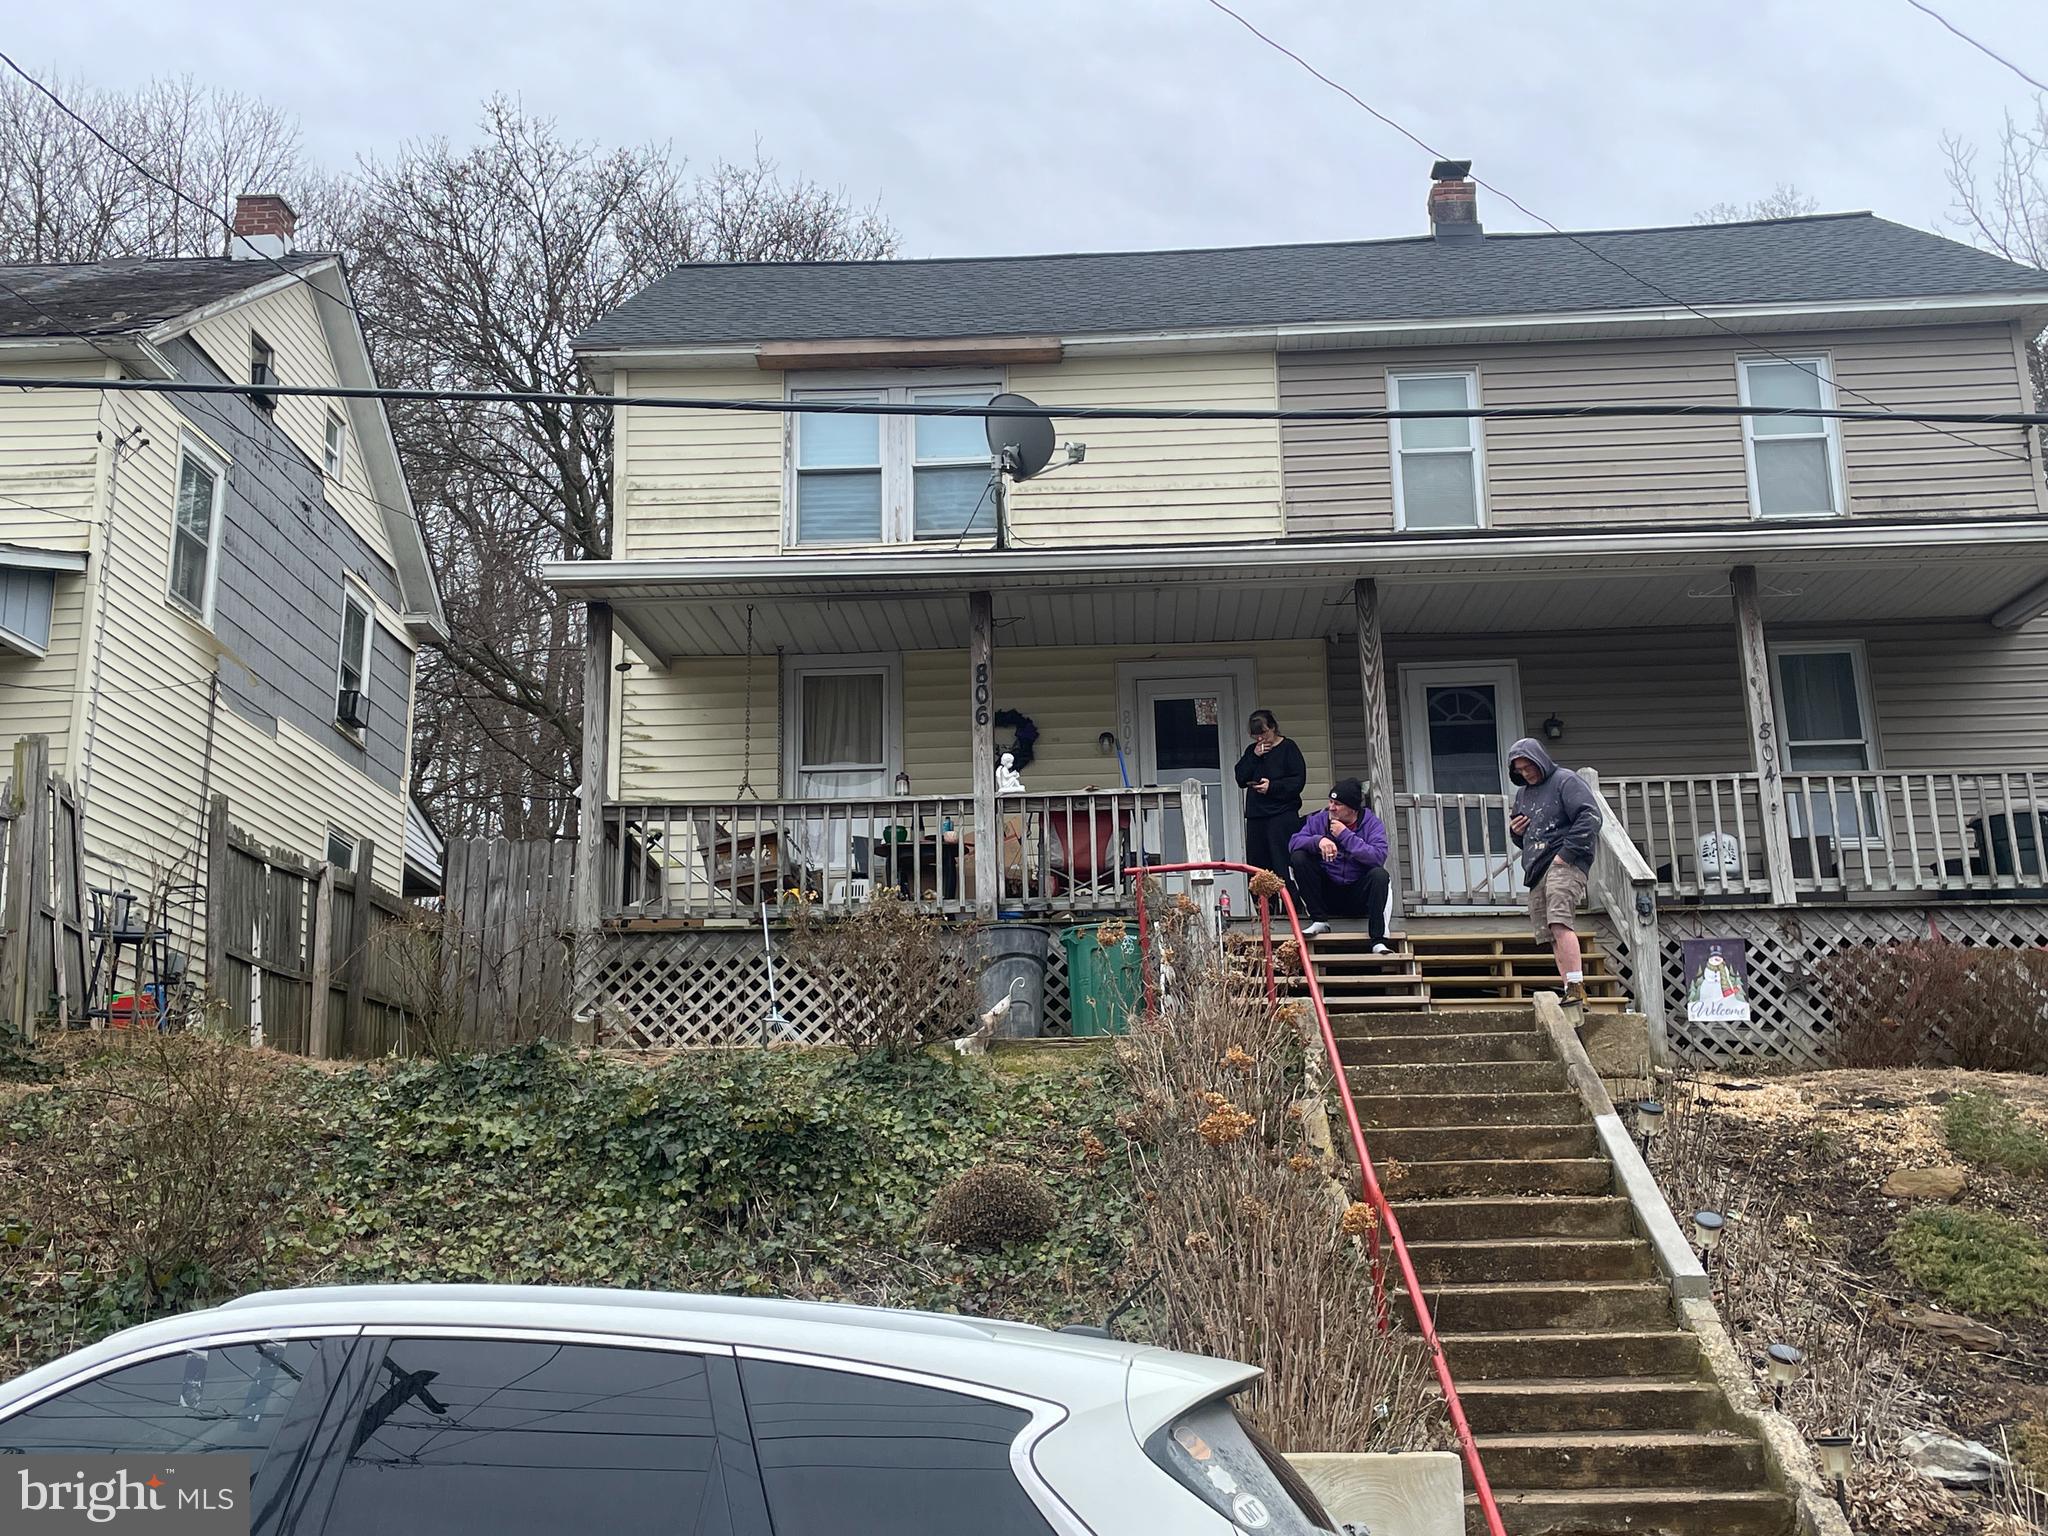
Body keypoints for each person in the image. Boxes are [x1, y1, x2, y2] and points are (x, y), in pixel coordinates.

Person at [1506, 737, 1604, 1007]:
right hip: (1537, 868)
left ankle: (1577, 987)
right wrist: (1516, 833)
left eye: (1528, 767)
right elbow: (1525, 837)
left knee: (1560, 922)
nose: (1526, 773)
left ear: (1539, 760)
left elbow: (1590, 817)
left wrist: (1565, 855)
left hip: (1565, 862)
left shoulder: (1565, 780)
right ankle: (1569, 990)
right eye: (1520, 770)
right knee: (1550, 932)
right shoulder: (1523, 794)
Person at [1288, 779, 1393, 946]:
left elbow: (1378, 856)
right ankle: (1319, 921)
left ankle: (1378, 940)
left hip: (1357, 895)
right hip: (1328, 893)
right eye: (1330, 801)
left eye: (1337, 804)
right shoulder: (1320, 820)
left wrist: (1345, 835)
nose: (1331, 807)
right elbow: (1294, 842)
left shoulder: (1371, 823)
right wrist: (1318, 841)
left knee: (1380, 875)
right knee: (1299, 857)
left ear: (1352, 808)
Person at [1233, 709, 1306, 881]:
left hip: (1282, 815)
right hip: (1257, 817)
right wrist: (1254, 756)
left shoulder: (1288, 748)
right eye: (1255, 735)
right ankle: (1262, 899)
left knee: (1282, 864)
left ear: (1273, 727)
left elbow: (1298, 781)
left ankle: (1289, 898)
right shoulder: (1252, 751)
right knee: (1258, 867)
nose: (1260, 739)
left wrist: (1272, 787)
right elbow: (1241, 778)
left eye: (1264, 733)